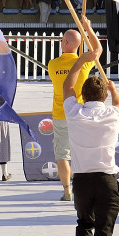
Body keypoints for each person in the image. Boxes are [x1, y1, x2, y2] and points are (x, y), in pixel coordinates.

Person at [62, 45, 119, 236]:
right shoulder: (112, 114)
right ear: (105, 97)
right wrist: (114, 89)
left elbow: (67, 87)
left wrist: (80, 63)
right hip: (106, 179)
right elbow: (118, 102)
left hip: (83, 181)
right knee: (104, 229)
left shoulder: (75, 112)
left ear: (82, 96)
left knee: (84, 222)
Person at [46, 20, 102, 201]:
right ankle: (81, 187)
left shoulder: (53, 65)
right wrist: (88, 28)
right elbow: (98, 49)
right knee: (80, 152)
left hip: (61, 113)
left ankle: (66, 190)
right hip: (79, 112)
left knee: (62, 154)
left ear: (66, 43)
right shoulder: (85, 64)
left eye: (63, 39)